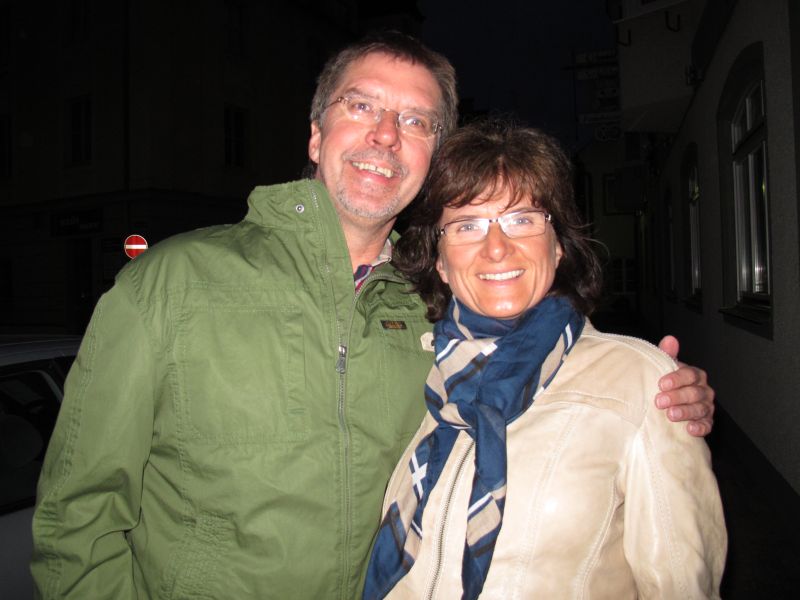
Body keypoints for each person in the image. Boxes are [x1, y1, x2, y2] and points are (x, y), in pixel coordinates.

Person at [31, 32, 714, 599]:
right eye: (361, 106)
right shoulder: (170, 284)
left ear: (433, 157)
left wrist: (657, 397)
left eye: (415, 121)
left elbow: (538, 368)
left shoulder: (433, 316)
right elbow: (76, 517)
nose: (385, 134)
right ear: (315, 133)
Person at [363, 119, 726, 600]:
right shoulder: (423, 370)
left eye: (522, 219)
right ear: (441, 262)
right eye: (467, 225)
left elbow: (682, 586)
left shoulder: (641, 382)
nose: (496, 248)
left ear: (557, 247)